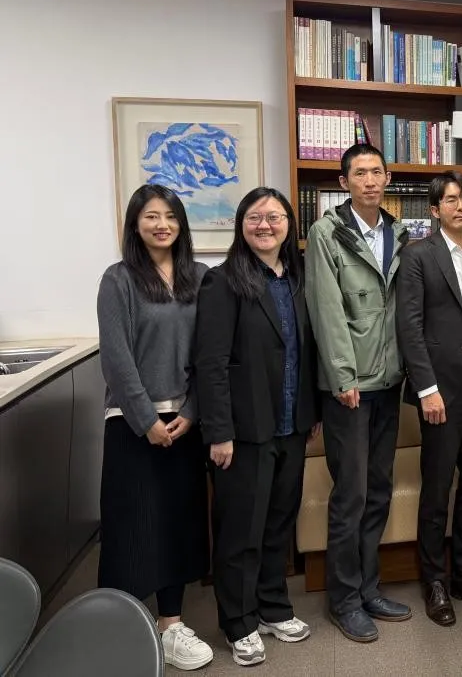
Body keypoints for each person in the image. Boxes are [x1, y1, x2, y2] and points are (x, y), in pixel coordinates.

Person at [194, 187, 319, 667]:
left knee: (278, 524)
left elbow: (305, 351)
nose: (265, 225)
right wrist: (218, 431)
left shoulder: (298, 278)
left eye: (274, 217)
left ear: (289, 224)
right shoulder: (223, 281)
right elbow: (211, 363)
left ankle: (272, 607)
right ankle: (239, 621)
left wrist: (309, 413)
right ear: (241, 225)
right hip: (243, 431)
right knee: (240, 531)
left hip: (291, 424)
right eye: (254, 217)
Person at [96, 184, 213, 671]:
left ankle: (170, 625)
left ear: (181, 223)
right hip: (132, 422)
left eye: (170, 216)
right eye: (151, 216)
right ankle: (119, 626)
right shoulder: (118, 279)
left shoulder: (200, 277)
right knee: (132, 524)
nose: (161, 224)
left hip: (185, 421)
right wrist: (147, 420)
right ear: (135, 223)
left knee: (178, 524)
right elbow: (116, 357)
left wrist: (193, 410)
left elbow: (211, 352)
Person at [304, 143, 412, 644]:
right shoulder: (327, 233)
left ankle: (369, 588)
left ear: (387, 178)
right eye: (359, 173)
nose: (369, 180)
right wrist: (343, 377)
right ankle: (344, 599)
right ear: (344, 182)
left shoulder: (398, 232)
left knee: (378, 490)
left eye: (376, 172)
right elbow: (326, 310)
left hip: (388, 382)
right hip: (350, 388)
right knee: (350, 495)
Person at [396, 171, 462, 627]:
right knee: (438, 485)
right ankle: (434, 580)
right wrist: (427, 389)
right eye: (452, 199)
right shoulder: (418, 255)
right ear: (435, 209)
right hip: (440, 385)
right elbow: (409, 326)